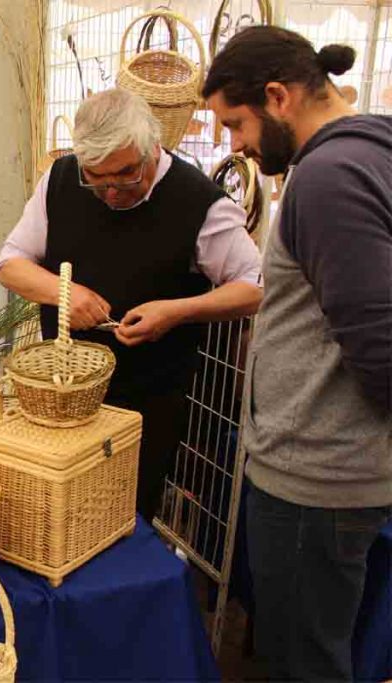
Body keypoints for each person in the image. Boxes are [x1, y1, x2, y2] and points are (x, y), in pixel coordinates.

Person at [204, 27, 392, 681]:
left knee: (308, 660)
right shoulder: (373, 153)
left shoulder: (329, 178)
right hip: (342, 467)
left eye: (236, 124)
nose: (236, 146)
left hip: (318, 476)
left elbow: (380, 343)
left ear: (278, 96)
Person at [0, 88, 262, 523]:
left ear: (152, 147)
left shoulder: (199, 202)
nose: (112, 192)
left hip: (148, 405)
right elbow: (10, 264)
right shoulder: (62, 179)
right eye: (96, 180)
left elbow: (252, 288)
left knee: (124, 519)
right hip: (61, 401)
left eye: (125, 175)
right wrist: (65, 294)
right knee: (56, 517)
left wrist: (176, 311)